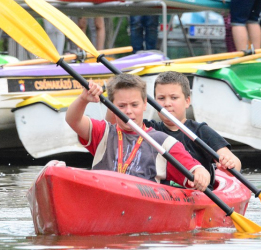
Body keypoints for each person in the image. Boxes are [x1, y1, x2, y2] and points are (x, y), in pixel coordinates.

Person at [65, 73, 211, 190]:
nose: (128, 111)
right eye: (121, 106)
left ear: (144, 105)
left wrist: (200, 175)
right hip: (103, 197)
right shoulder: (103, 132)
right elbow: (73, 120)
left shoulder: (164, 142)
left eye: (134, 105)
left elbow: (196, 169)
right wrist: (83, 99)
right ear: (112, 107)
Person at [143, 71, 241, 186]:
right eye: (161, 98)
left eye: (174, 97)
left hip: (198, 194)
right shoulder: (148, 129)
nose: (167, 103)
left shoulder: (201, 131)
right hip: (160, 194)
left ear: (187, 101)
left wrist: (227, 162)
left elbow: (235, 163)